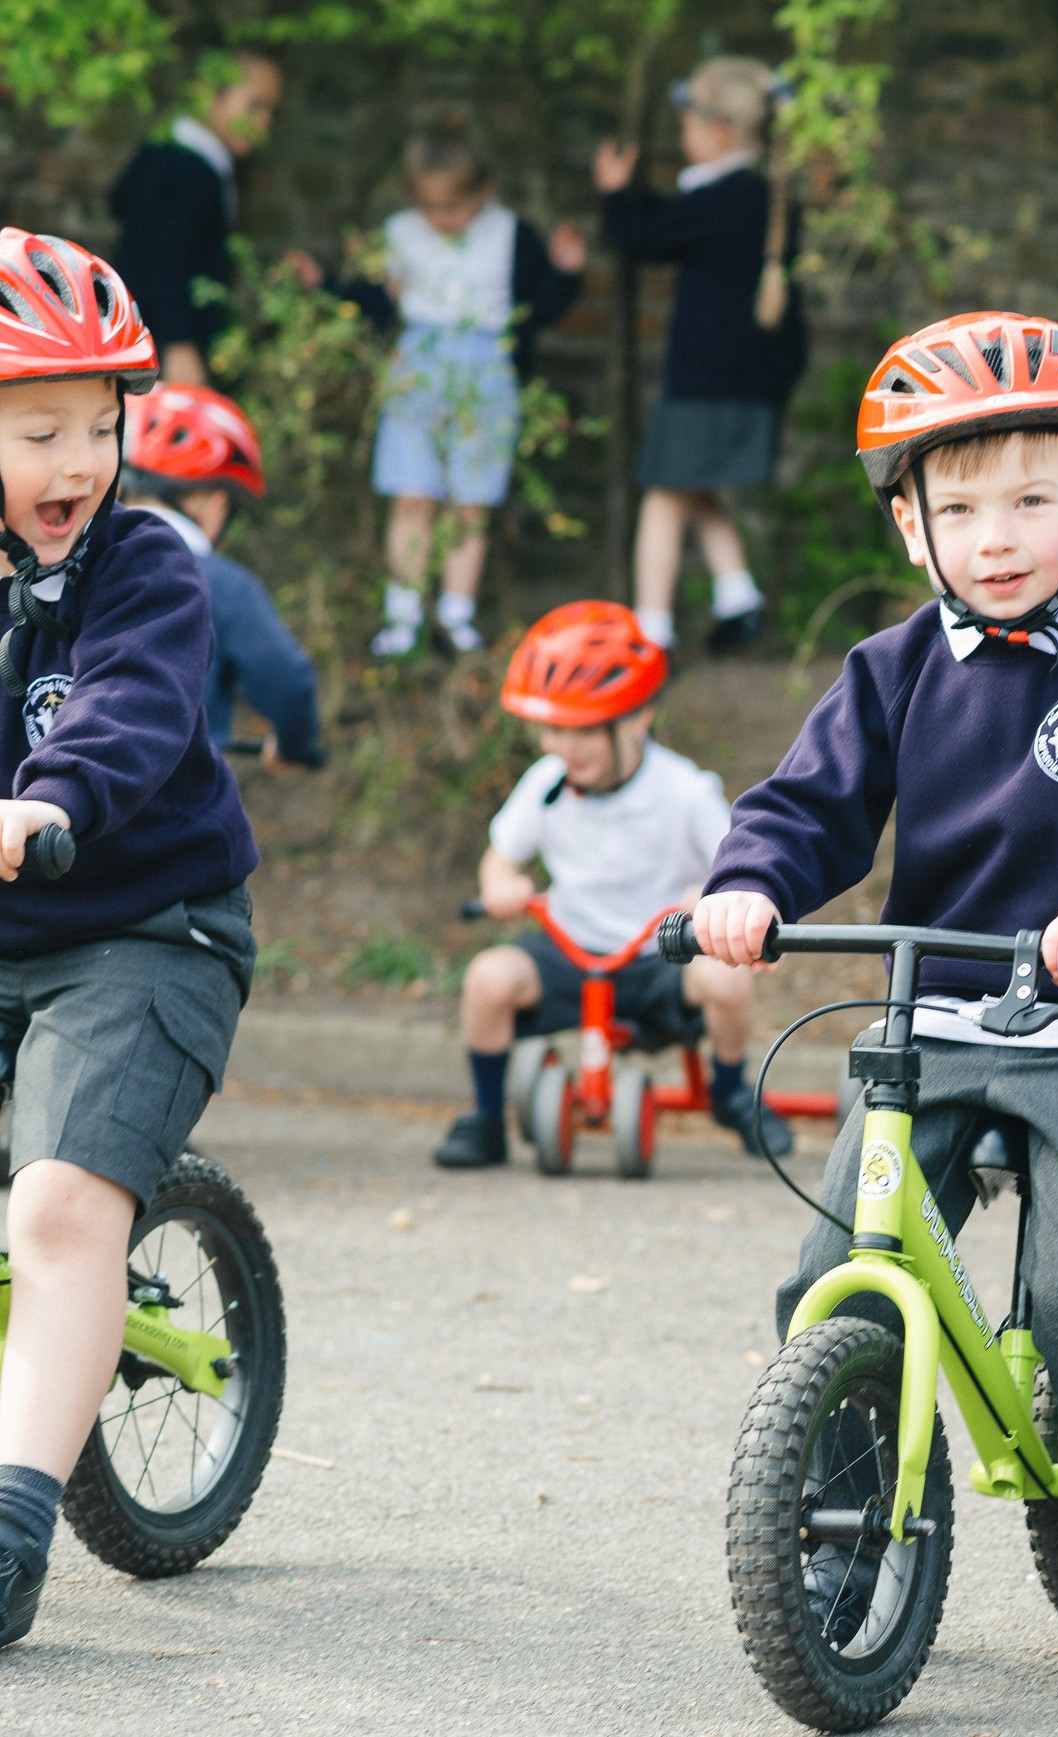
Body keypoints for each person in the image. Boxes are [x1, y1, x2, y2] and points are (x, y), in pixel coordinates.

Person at [689, 310, 1058, 1703]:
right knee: (829, 1279)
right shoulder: (892, 670)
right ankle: (840, 1543)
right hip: (933, 1016)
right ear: (910, 528)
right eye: (962, 506)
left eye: (1032, 500)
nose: (999, 533)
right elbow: (806, 809)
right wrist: (749, 887)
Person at [0, 231, 262, 1650]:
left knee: (53, 1209)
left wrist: (44, 803)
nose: (81, 460)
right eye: (40, 429)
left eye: (102, 426)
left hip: (143, 928)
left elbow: (131, 711)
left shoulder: (146, 565)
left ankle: (10, 1531)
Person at [435, 600, 787, 1169]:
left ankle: (729, 1090)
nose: (561, 747)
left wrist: (711, 897)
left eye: (580, 731)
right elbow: (500, 858)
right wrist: (502, 884)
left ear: (635, 719)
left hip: (659, 955)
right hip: (570, 949)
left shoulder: (685, 791)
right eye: (551, 729)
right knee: (486, 979)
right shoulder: (546, 782)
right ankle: (483, 1120)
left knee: (726, 984)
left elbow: (736, 865)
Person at [595, 56, 807, 653]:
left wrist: (615, 196)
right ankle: (738, 596)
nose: (680, 138)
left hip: (705, 379)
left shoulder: (719, 201)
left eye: (686, 125)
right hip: (753, 376)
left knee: (664, 493)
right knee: (693, 483)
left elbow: (648, 237)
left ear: (718, 131)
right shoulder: (766, 198)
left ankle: (649, 633)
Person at [353, 128, 586, 659]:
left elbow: (539, 306)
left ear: (484, 191)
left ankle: (457, 615)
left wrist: (567, 274)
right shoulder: (399, 234)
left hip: (486, 369)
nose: (442, 218)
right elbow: (370, 303)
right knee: (412, 493)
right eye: (430, 206)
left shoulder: (510, 233)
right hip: (417, 367)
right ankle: (402, 617)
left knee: (471, 502)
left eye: (454, 206)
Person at [120, 384, 323, 768]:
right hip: (174, 813)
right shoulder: (221, 585)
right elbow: (287, 682)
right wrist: (294, 744)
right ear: (216, 503)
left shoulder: (73, 565)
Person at [108, 50, 285, 390]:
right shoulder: (191, 169)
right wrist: (179, 342)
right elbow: (162, 258)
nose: (265, 122)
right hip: (161, 347)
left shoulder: (166, 150)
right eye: (255, 106)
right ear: (213, 97)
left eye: (270, 111)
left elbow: (119, 201)